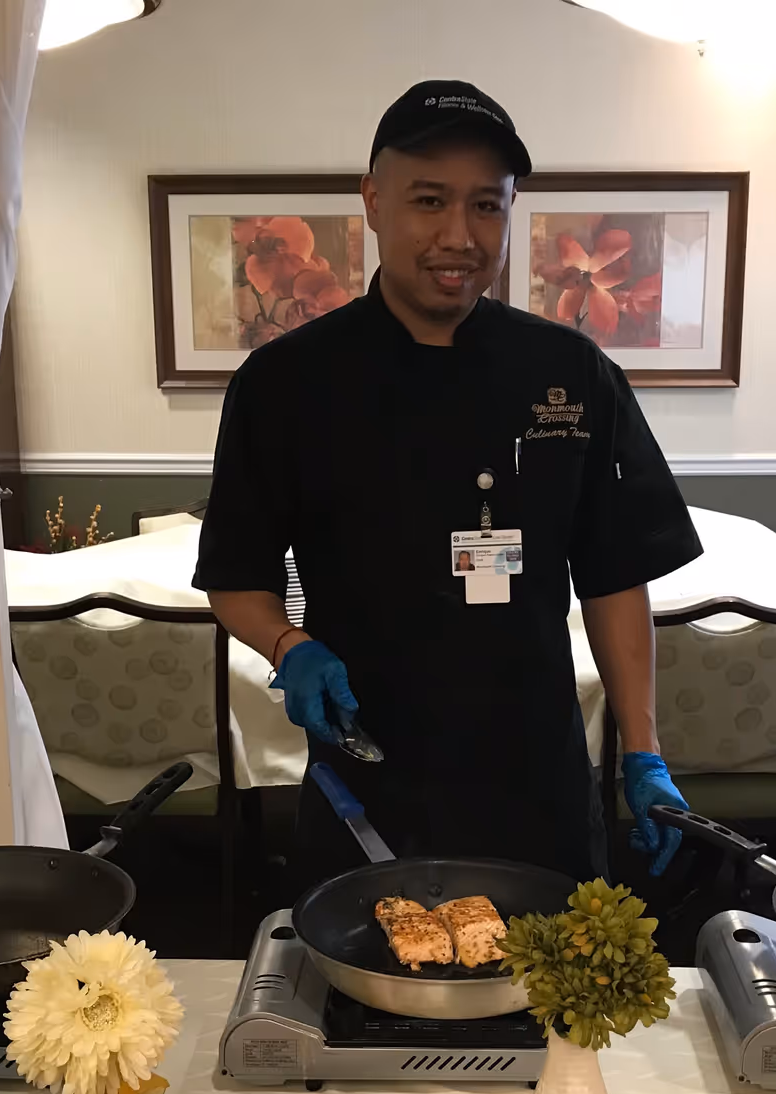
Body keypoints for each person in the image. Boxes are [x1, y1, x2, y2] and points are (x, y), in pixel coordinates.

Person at [193, 80, 700, 884]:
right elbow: (235, 576)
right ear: (373, 200)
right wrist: (291, 647)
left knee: (554, 965)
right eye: (429, 201)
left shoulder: (571, 374)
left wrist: (644, 751)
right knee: (364, 960)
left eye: (486, 206)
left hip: (535, 776)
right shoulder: (285, 383)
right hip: (368, 771)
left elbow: (614, 576)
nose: (458, 236)